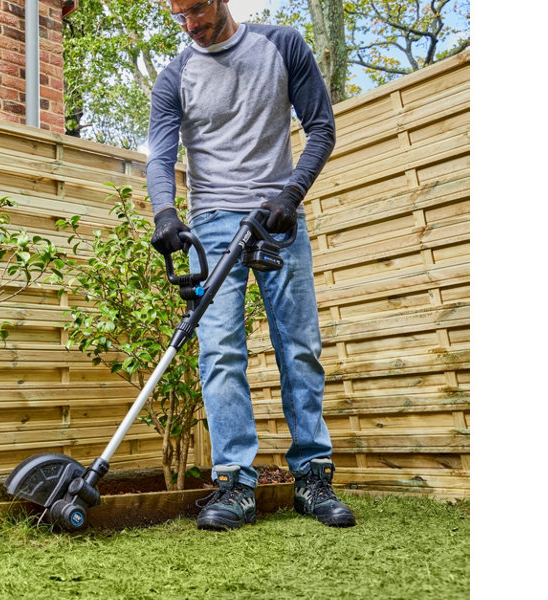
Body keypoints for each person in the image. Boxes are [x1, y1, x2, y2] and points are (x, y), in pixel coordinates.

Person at [145, 0, 355, 530]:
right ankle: (235, 482)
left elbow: (321, 128)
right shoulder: (174, 77)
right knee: (219, 351)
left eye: (197, 10)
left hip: (277, 216)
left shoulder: (282, 45)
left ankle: (312, 475)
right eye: (180, 16)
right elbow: (159, 157)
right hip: (212, 222)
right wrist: (166, 212)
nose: (191, 24)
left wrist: (292, 193)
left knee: (300, 345)